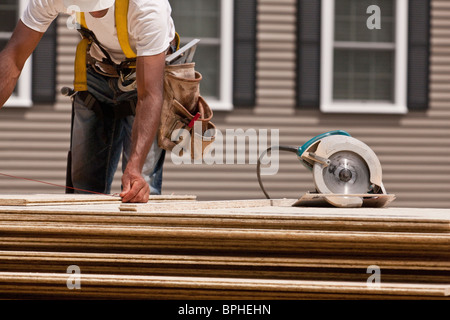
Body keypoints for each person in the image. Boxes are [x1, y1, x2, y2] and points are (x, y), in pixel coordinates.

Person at [0, 0, 176, 203]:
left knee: (138, 188)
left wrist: (134, 168)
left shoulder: (147, 6)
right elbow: (13, 59)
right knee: (83, 191)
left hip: (147, 76)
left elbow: (150, 95)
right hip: (98, 70)